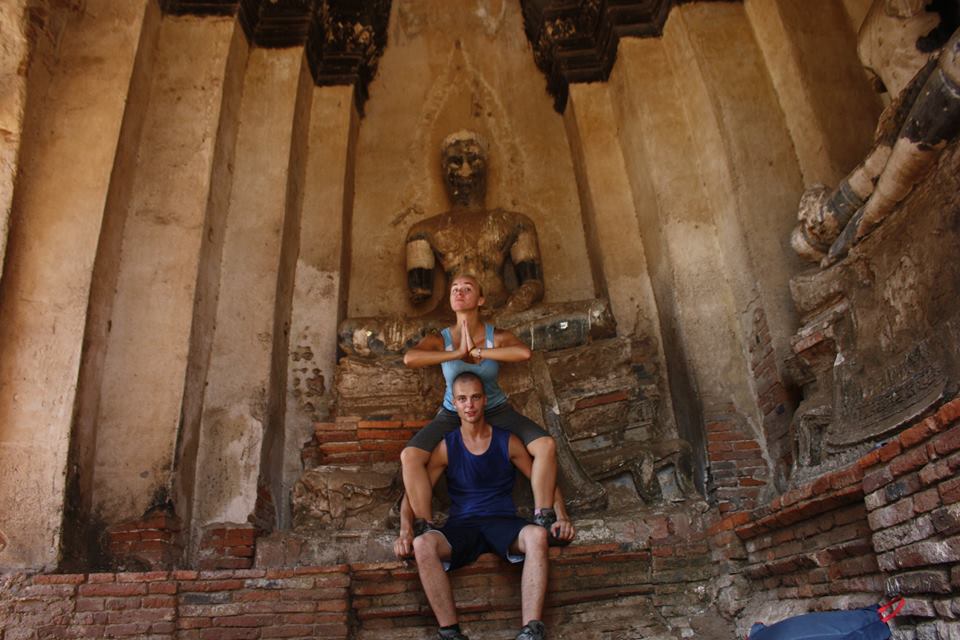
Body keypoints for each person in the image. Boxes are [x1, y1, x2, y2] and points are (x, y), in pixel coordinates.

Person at [394, 372, 575, 640]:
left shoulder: (508, 440)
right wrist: (405, 530)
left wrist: (562, 515)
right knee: (423, 544)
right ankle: (450, 633)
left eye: (475, 397)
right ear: (454, 404)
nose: (470, 405)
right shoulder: (446, 447)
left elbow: (544, 480)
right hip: (462, 525)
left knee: (537, 535)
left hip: (502, 522)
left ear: (485, 400)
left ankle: (531, 631)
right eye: (462, 399)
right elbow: (414, 492)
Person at [401, 274, 566, 539]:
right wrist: (456, 353)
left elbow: (523, 353)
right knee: (410, 456)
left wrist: (477, 353)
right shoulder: (440, 338)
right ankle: (424, 525)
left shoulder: (496, 336)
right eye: (455, 288)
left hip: (496, 410)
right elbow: (410, 358)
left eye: (467, 288)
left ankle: (544, 516)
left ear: (480, 299)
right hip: (453, 413)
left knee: (545, 445)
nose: (459, 292)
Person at [405, 130, 544, 315]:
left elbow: (533, 284)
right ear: (444, 170)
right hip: (449, 319)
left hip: (503, 314)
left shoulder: (516, 222)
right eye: (455, 162)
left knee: (591, 313)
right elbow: (420, 292)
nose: (465, 170)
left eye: (474, 161)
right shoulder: (422, 231)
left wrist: (515, 306)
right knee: (375, 331)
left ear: (486, 167)